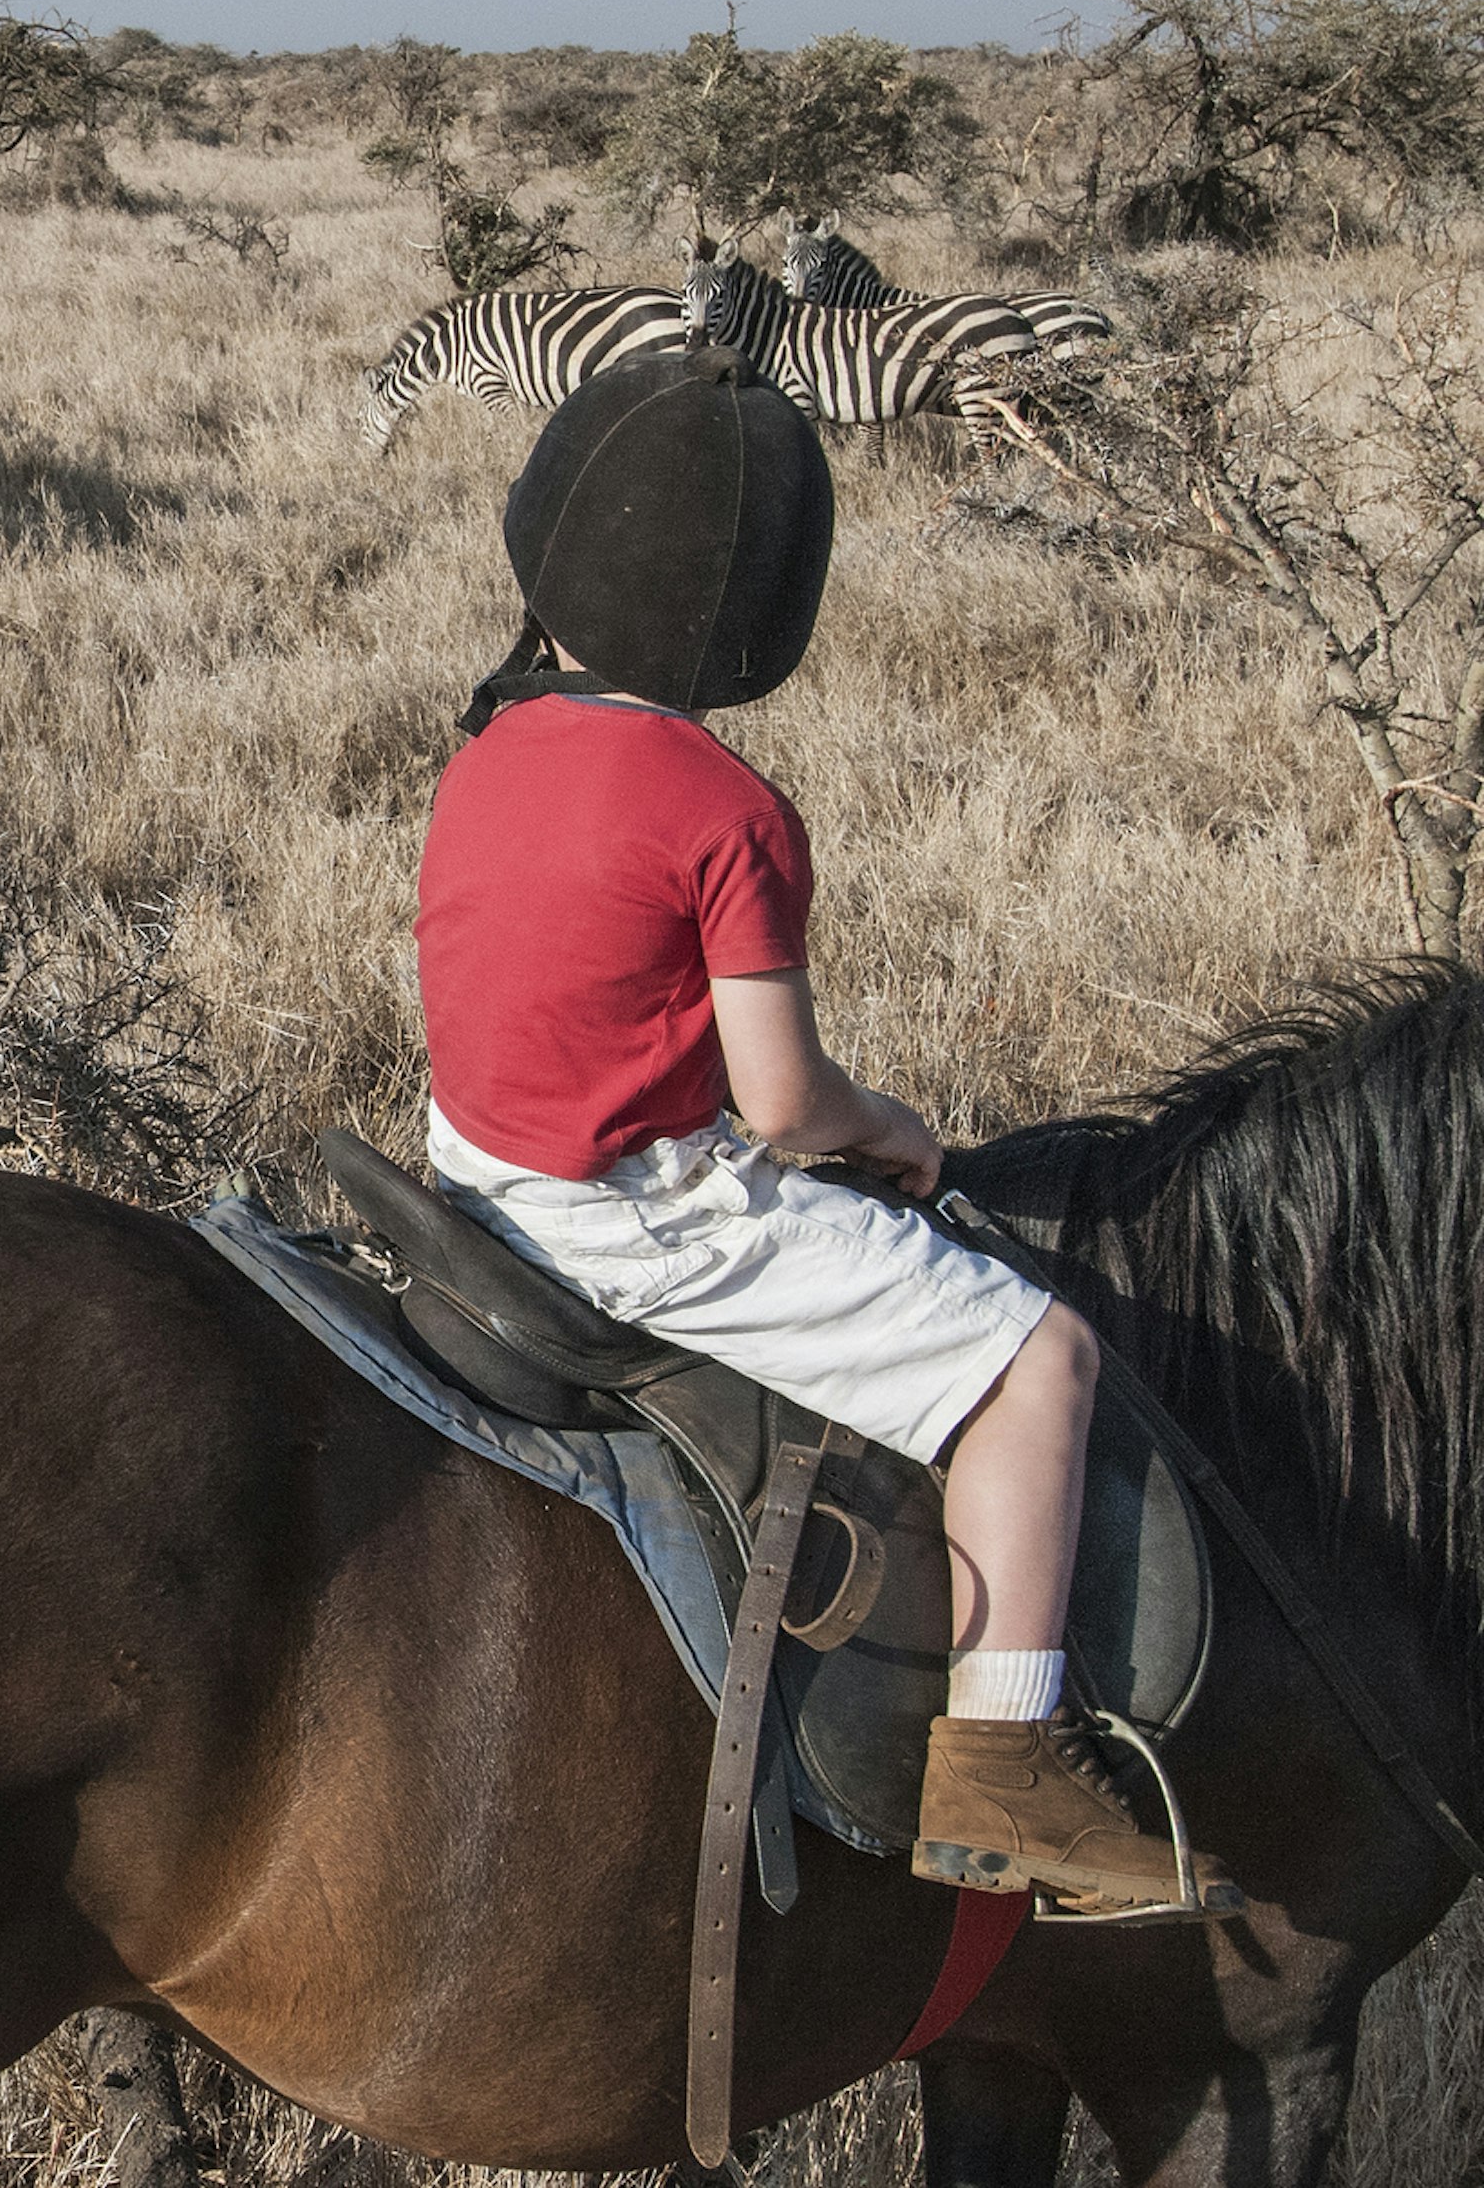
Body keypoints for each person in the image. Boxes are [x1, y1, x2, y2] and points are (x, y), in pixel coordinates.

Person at [412, 346, 1236, 1921]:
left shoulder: (490, 741)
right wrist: (898, 1130)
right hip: (629, 1214)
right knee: (1036, 1362)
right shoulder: (727, 808)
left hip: (473, 1169)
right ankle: (1006, 1777)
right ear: (755, 611)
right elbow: (784, 1103)